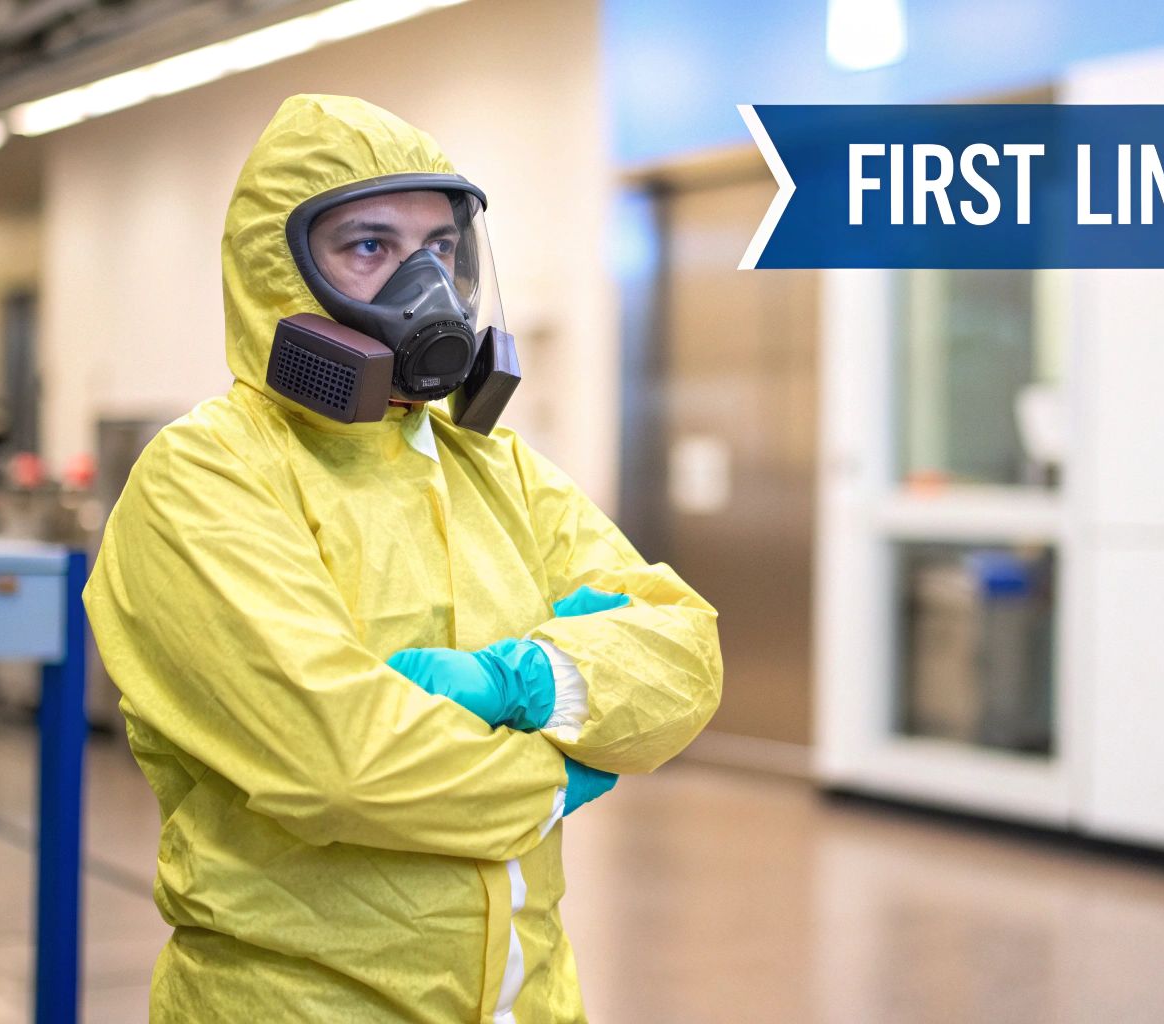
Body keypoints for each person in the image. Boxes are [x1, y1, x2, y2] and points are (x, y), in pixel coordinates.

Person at [84, 94, 722, 1023]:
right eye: (371, 248)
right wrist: (560, 779)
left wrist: (525, 682)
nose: (423, 289)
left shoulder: (490, 464)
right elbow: (342, 763)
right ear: (282, 273)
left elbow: (682, 650)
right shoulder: (204, 480)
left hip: (526, 999)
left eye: (441, 251)